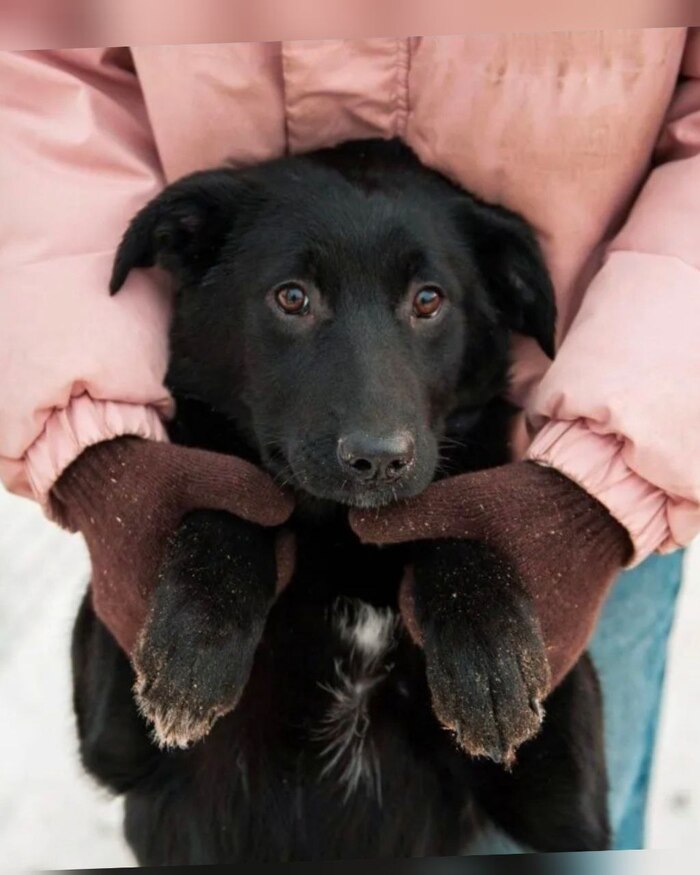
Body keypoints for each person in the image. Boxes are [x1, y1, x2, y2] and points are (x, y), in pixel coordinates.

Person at [1, 30, 698, 851]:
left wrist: (543, 539)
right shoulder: (200, 525)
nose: (377, 431)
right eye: (295, 299)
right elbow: (117, 749)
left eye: (426, 302)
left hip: (565, 457)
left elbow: (560, 823)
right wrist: (145, 504)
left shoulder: (484, 510)